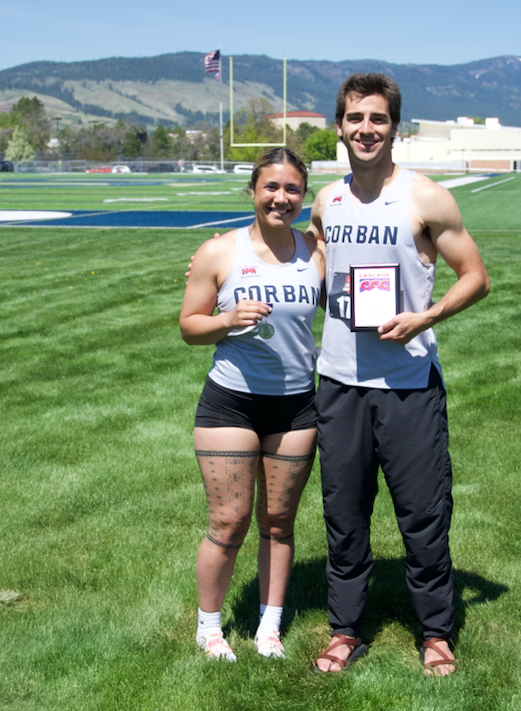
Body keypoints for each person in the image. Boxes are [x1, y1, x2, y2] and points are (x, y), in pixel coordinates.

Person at [307, 73, 490, 676]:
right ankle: (345, 629)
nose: (366, 130)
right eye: (355, 119)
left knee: (423, 514)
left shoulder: (426, 197)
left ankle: (436, 631)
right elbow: (313, 266)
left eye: (378, 119)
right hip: (339, 381)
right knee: (345, 512)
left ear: (395, 128)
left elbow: (475, 277)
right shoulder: (327, 201)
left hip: (409, 383)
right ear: (340, 127)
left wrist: (427, 315)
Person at [179, 148, 324, 662]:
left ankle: (269, 628)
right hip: (231, 404)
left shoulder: (314, 252)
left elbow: (349, 304)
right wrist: (226, 319)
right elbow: (188, 326)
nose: (280, 198)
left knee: (280, 522)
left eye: (291, 190)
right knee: (230, 520)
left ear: (302, 196)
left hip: (296, 406)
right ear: (253, 191)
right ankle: (210, 627)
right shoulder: (220, 251)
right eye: (271, 188)